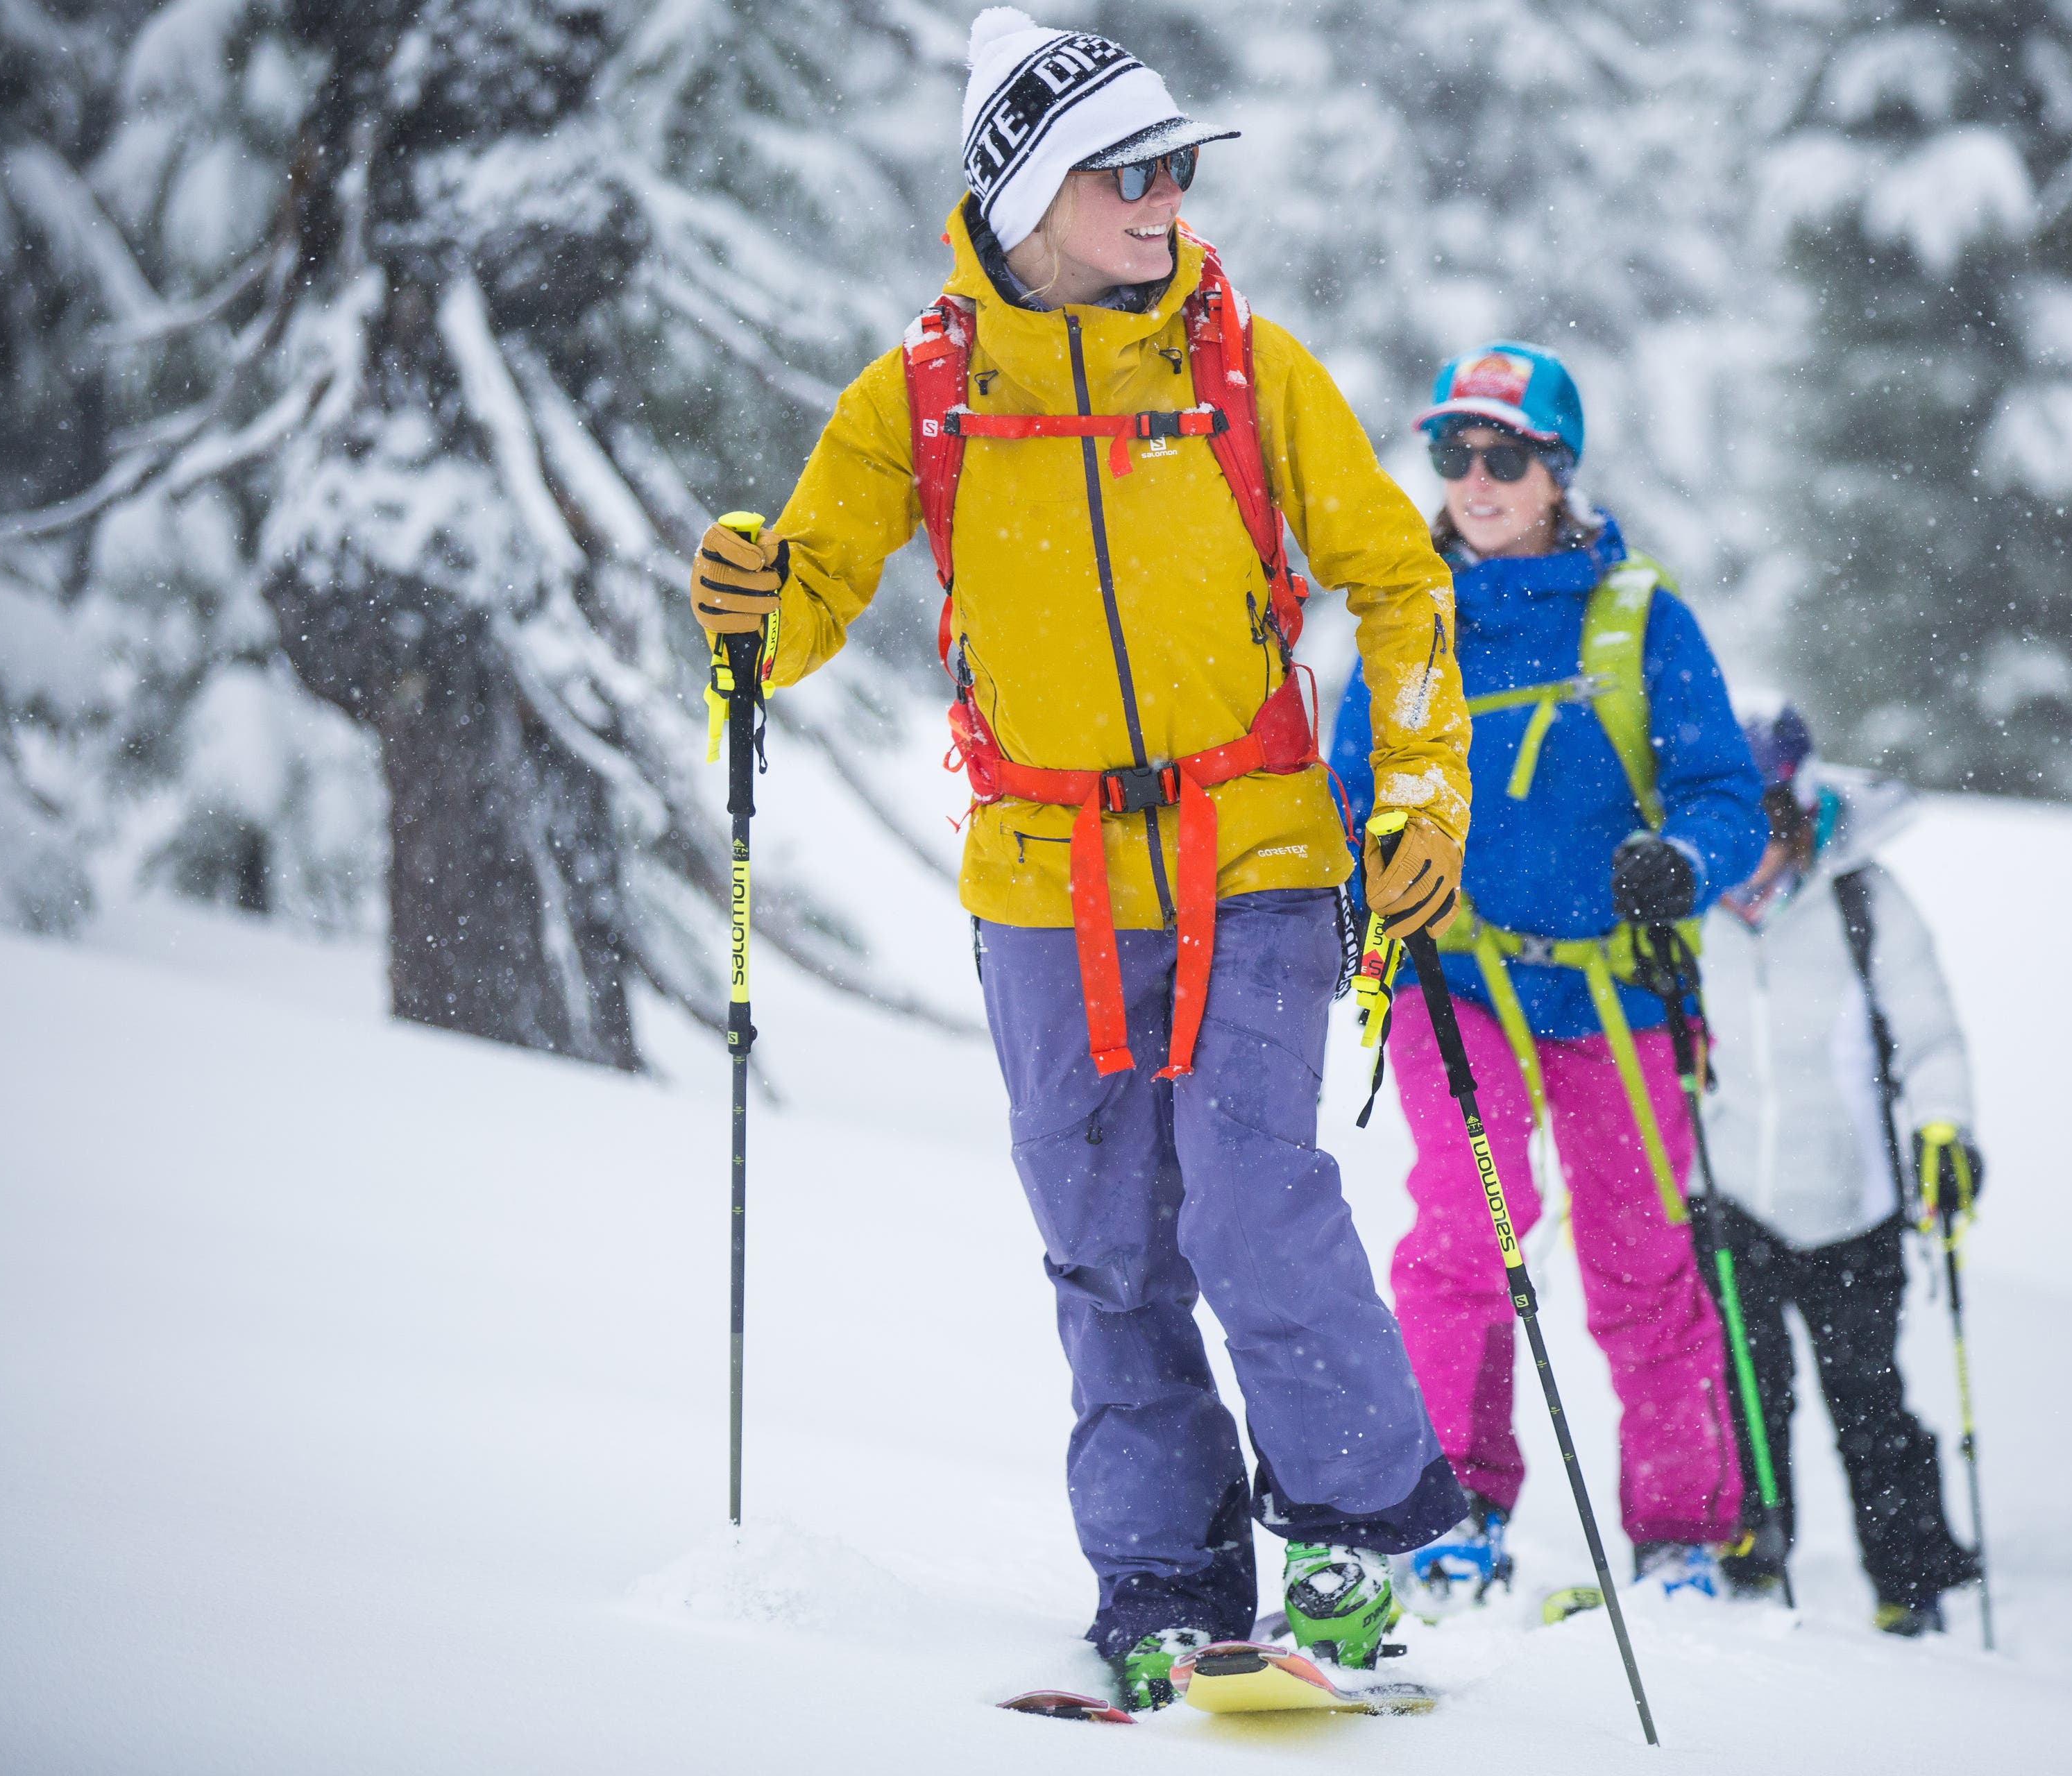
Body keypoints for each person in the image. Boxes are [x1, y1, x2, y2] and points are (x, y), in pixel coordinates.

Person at [686, 9, 1472, 1708]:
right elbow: (807, 590)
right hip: (1040, 874)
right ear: (1027, 197)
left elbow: (1401, 584)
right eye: (1130, 170)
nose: (1167, 197)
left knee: (1252, 1190)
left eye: (1180, 164)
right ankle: (1168, 1579)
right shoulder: (927, 391)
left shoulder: (1249, 368)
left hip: (1251, 840)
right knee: (1108, 1236)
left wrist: (1418, 797)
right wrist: (754, 595)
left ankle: (1349, 1543)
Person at [1330, 343, 1768, 1603]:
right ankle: (1454, 1505)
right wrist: (1373, 870)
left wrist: (1682, 863)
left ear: (1558, 470)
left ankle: (1681, 1533)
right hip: (1455, 983)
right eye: (1454, 454)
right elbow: (1351, 789)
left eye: (1505, 455)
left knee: (1644, 1259)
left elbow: (1725, 791)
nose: (1476, 478)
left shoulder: (1638, 617)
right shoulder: (1413, 615)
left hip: (1616, 991)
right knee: (1465, 1240)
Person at [1689, 706, 1986, 1634]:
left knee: (1868, 1401)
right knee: (1742, 1391)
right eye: (1731, 820)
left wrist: (1946, 1132)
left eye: (1771, 820)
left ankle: (1910, 1584)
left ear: (1805, 811)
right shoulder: (1692, 908)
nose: (1753, 846)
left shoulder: (1867, 900)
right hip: (1730, 1190)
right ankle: (1748, 1561)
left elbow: (1932, 1038)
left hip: (1851, 1200)